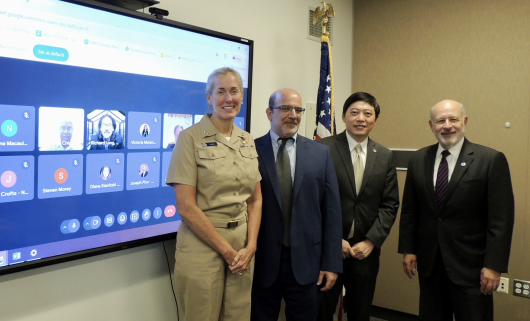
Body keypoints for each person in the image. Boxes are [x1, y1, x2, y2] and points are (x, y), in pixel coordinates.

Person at [398, 100, 514, 321]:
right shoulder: (418, 159)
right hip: (430, 265)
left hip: (472, 269)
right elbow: (410, 211)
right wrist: (408, 249)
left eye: (453, 119)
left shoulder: (490, 160)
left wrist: (493, 265)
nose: (447, 126)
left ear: (465, 121)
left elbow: (501, 220)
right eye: (440, 121)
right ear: (431, 125)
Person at [166, 67, 262, 321]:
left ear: (242, 96)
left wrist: (251, 245)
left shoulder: (247, 140)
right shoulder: (189, 139)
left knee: (238, 316)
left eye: (234, 91)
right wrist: (228, 252)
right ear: (209, 97)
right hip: (202, 246)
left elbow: (255, 199)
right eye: (221, 92)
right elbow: (186, 207)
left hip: (242, 247)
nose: (228, 98)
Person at [251, 88, 342, 321]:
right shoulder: (250, 150)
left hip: (307, 263)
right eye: (285, 108)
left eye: (298, 109)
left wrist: (331, 263)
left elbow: (331, 211)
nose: (293, 114)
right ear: (269, 112)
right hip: (262, 261)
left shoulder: (320, 154)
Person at [318, 92, 400, 321]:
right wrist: (334, 240)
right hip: (328, 250)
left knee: (360, 313)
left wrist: (371, 241)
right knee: (322, 311)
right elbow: (314, 201)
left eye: (367, 113)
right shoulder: (322, 149)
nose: (360, 118)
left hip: (365, 252)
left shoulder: (384, 156)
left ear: (375, 120)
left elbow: (390, 204)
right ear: (344, 116)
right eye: (354, 112)